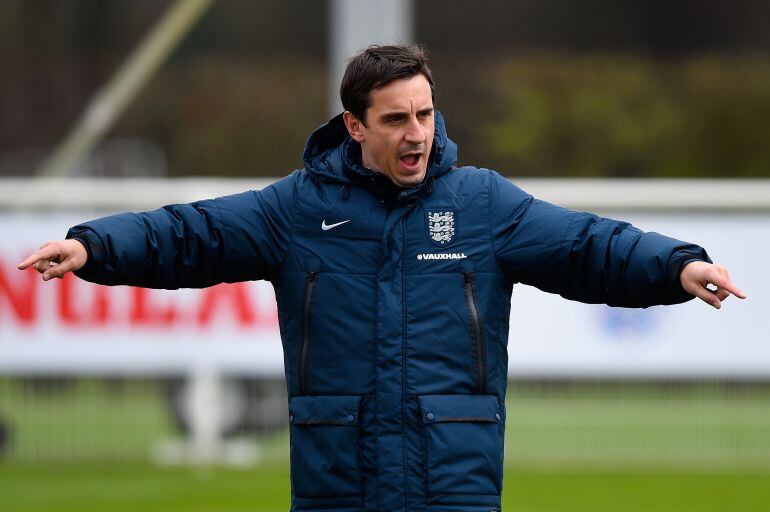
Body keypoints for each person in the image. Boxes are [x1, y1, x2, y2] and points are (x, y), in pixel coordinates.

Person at [18, 44, 745, 512]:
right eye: (396, 119)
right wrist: (94, 246)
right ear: (355, 126)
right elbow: (191, 233)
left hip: (453, 483)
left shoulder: (482, 203)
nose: (418, 133)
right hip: (339, 481)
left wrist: (675, 263)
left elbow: (589, 245)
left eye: (425, 114)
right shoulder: (296, 209)